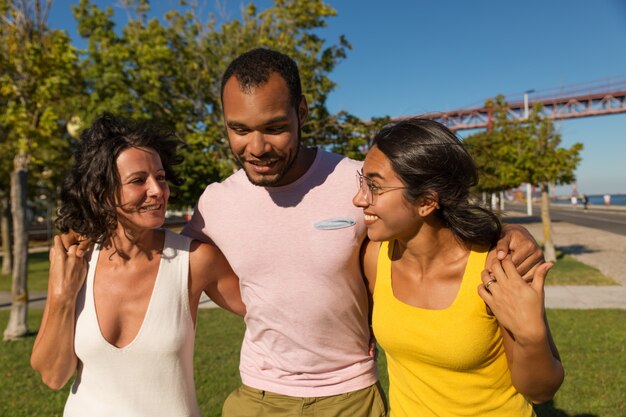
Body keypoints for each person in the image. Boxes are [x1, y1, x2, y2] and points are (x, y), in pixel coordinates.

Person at [181, 48, 544, 416]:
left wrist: (510, 233)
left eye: (274, 128)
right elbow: (184, 260)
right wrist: (256, 306)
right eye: (239, 129)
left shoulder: (359, 181)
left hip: (350, 395)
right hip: (259, 396)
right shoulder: (216, 202)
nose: (256, 147)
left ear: (301, 112)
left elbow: (439, 218)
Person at [30, 114, 245, 416]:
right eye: (138, 181)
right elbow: (54, 376)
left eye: (160, 177)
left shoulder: (194, 261)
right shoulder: (76, 262)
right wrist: (63, 295)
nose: (158, 190)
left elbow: (273, 316)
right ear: (101, 194)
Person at [354, 118, 564, 416]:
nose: (359, 199)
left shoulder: (495, 267)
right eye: (362, 182)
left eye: (374, 186)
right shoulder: (376, 257)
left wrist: (532, 336)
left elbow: (541, 391)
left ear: (426, 202)